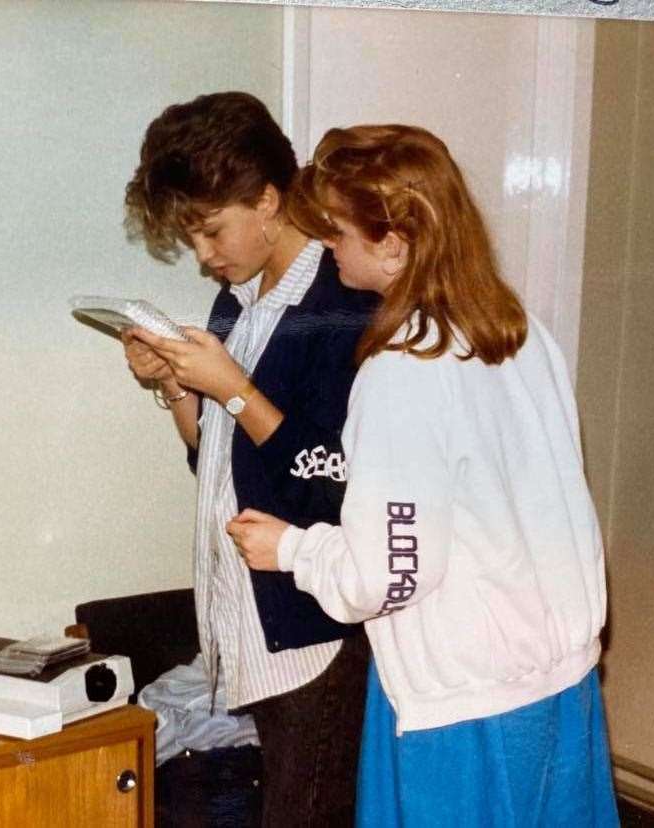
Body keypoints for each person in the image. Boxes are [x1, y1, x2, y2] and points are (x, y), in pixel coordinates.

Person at [226, 124, 619, 827]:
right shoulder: (520, 331)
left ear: (396, 243)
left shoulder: (405, 370)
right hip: (561, 685)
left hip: (467, 705)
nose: (327, 249)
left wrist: (290, 549)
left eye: (339, 233)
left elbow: (389, 574)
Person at [122, 91, 378, 826]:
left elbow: (335, 479)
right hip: (248, 625)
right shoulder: (238, 299)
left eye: (210, 231)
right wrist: (179, 390)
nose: (204, 257)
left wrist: (233, 390)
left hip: (314, 631)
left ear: (268, 199)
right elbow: (224, 468)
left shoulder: (345, 301)